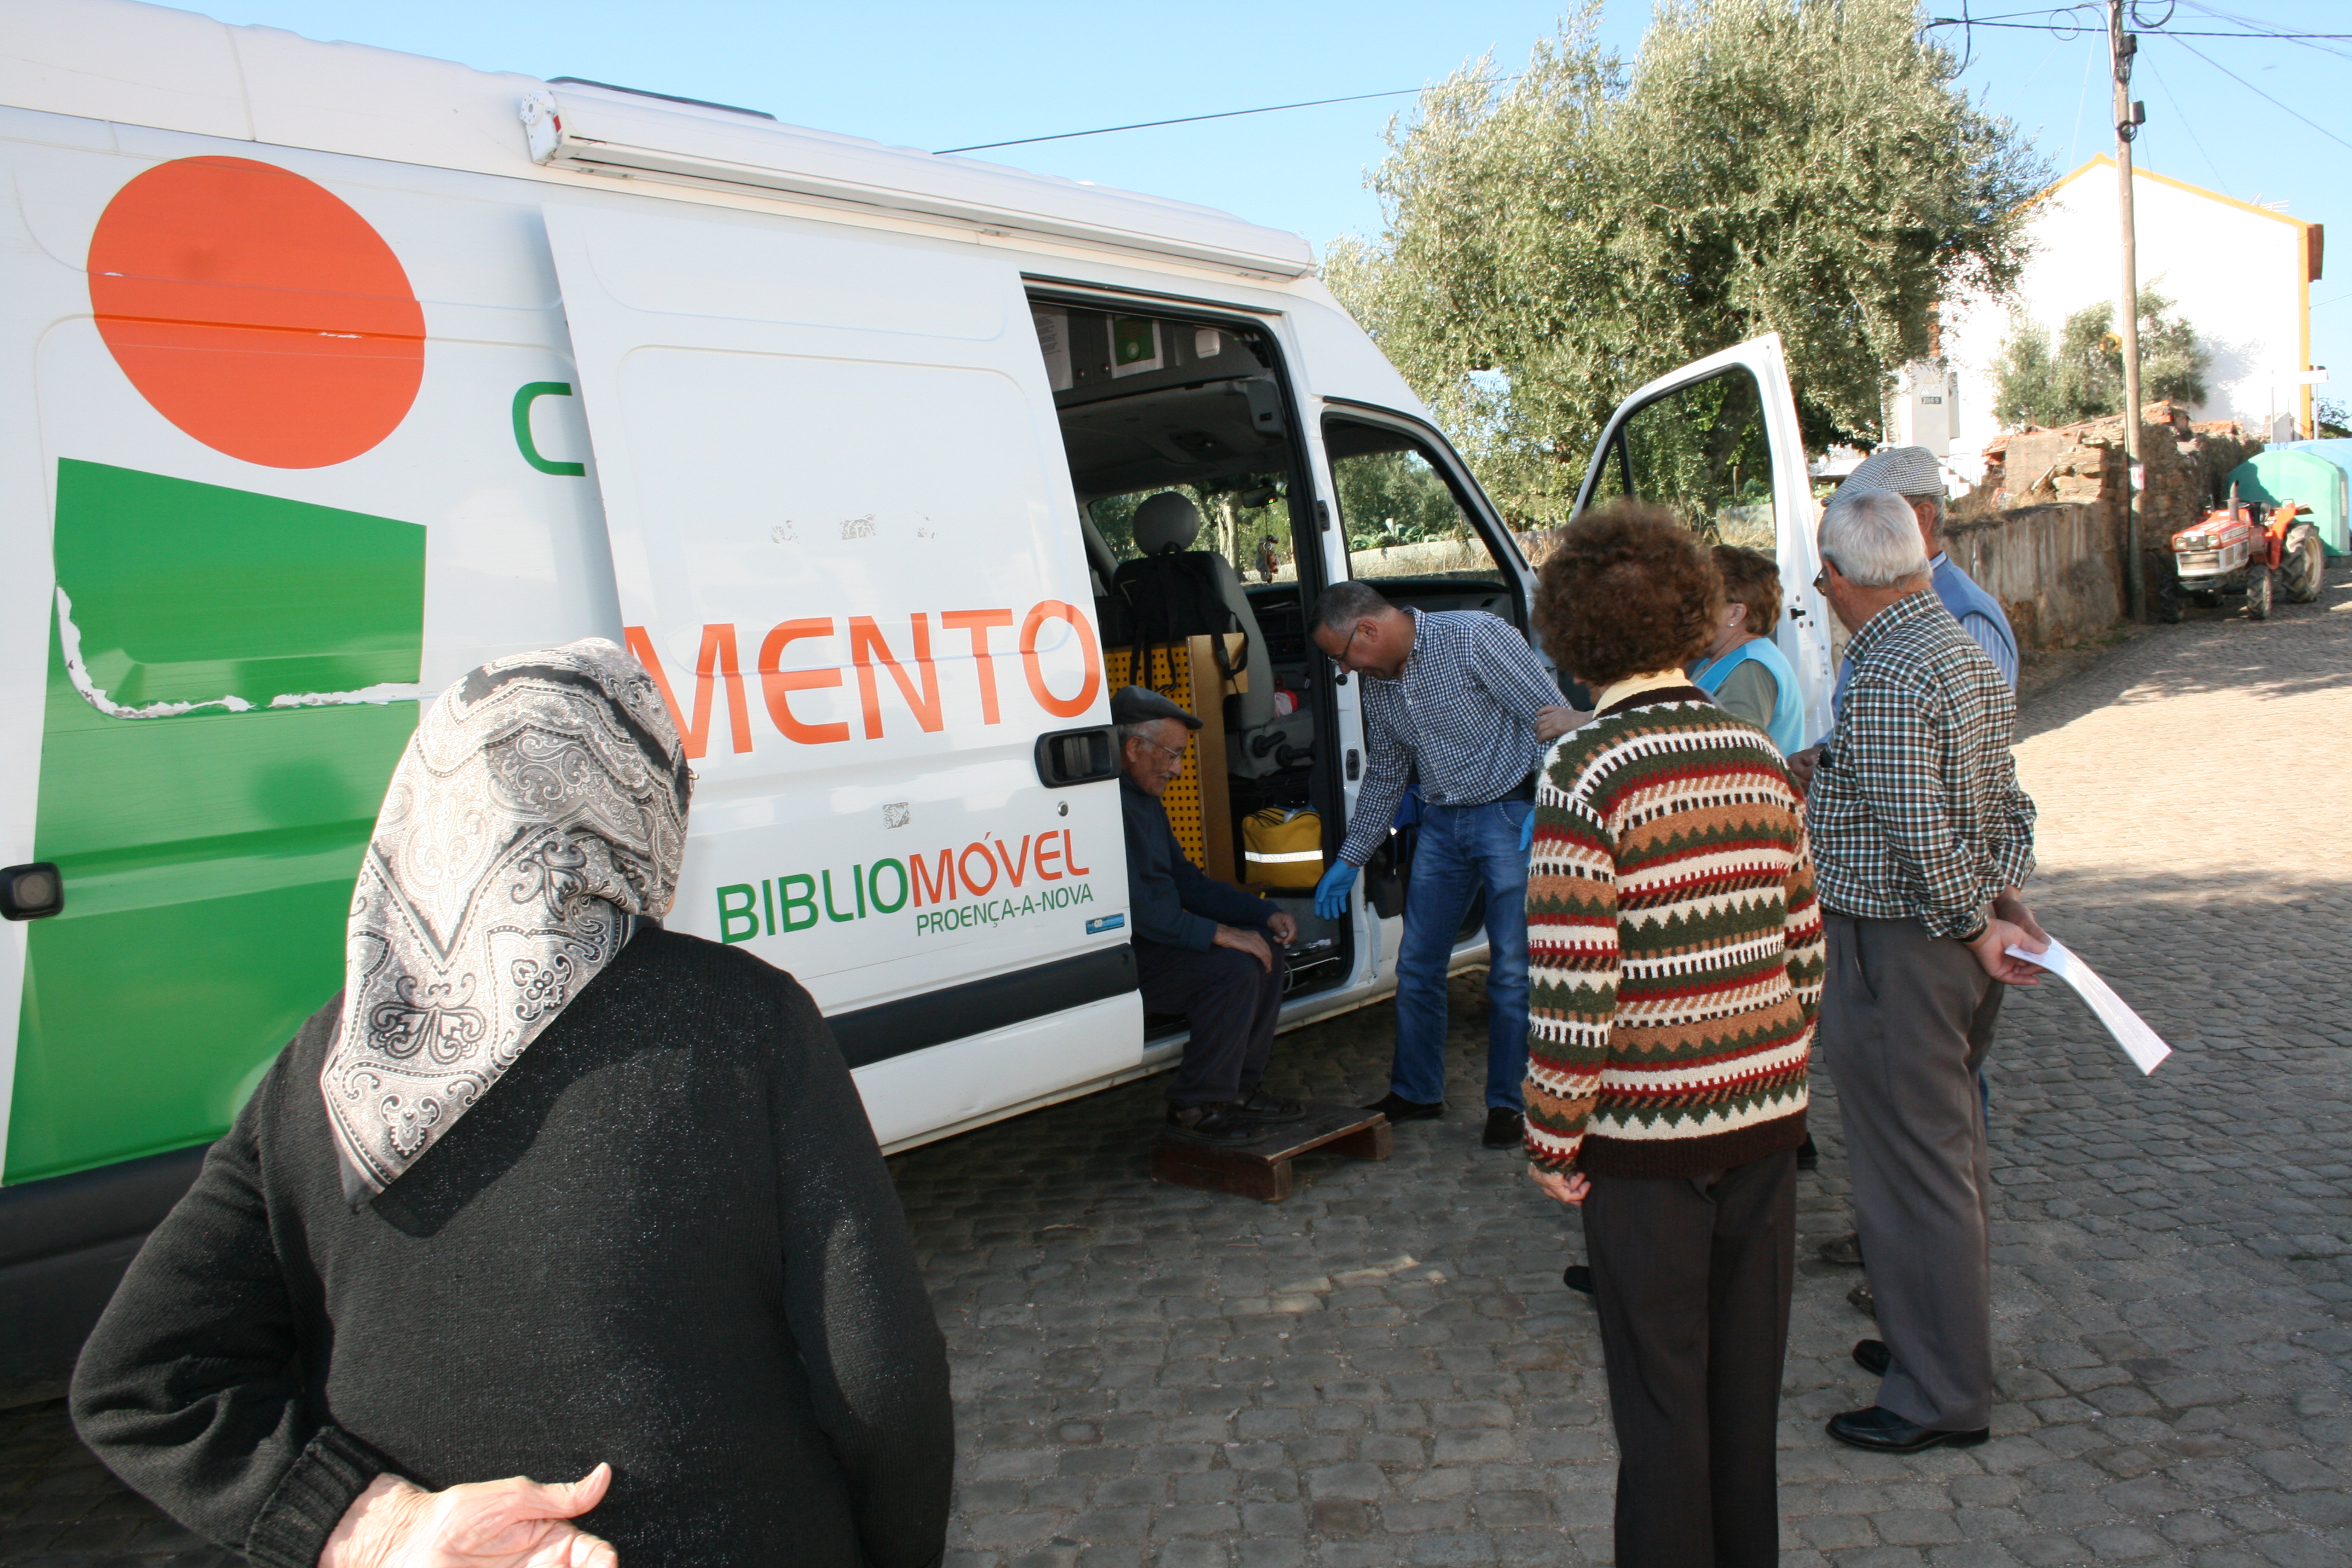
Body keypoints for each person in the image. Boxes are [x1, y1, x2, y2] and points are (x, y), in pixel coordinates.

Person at [71, 639, 954, 1568]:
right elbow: (883, 1380)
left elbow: (142, 1379)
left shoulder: (324, 1068)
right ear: (639, 799)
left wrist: (375, 1527)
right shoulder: (744, 1022)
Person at [1522, 504, 1823, 1568]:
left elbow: (1573, 984)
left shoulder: (1584, 773)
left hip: (1644, 1145)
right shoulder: (1752, 753)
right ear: (1694, 613)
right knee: (1744, 1396)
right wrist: (1768, 1070)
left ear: (1570, 633)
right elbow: (1803, 945)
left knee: (1659, 1403)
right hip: (1763, 1125)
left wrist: (1551, 1137)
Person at [1805, 490, 2045, 1454]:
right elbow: (2007, 803)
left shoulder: (1890, 668)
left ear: (1834, 579)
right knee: (1951, 1159)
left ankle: (1939, 1393)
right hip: (1944, 942)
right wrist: (2004, 899)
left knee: (1914, 1174)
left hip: (1898, 946)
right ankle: (1933, 1347)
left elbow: (1919, 832)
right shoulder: (1956, 644)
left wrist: (1971, 915)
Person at [1307, 580, 1578, 1149]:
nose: (1344, 670)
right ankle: (1417, 1091)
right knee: (1418, 966)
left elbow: (1550, 721)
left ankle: (1509, 1104)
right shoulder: (1380, 680)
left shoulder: (1474, 638)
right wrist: (1349, 860)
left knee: (1510, 973)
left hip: (1509, 814)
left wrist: (1549, 802)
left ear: (1369, 631)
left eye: (1342, 657)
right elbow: (1386, 773)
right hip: (1441, 822)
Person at [1116, 684, 1305, 1143]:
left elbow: (1186, 882)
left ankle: (1237, 1090)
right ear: (1135, 748)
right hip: (1125, 955)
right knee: (1234, 970)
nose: (1179, 769)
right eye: (1172, 754)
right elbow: (1145, 911)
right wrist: (1222, 934)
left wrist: (1262, 915)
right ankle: (1193, 1107)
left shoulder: (1144, 800)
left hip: (1154, 941)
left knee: (1267, 952)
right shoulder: (1106, 806)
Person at [1789, 445, 2016, 792]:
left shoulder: (1967, 614)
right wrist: (1826, 753)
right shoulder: (1885, 608)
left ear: (1922, 519)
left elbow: (1975, 764)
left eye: (1877, 516)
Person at [1689, 544, 1806, 754]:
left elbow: (1734, 759)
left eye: (1700, 601)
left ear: (1735, 613)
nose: (1687, 610)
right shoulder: (1725, 660)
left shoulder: (1749, 670)